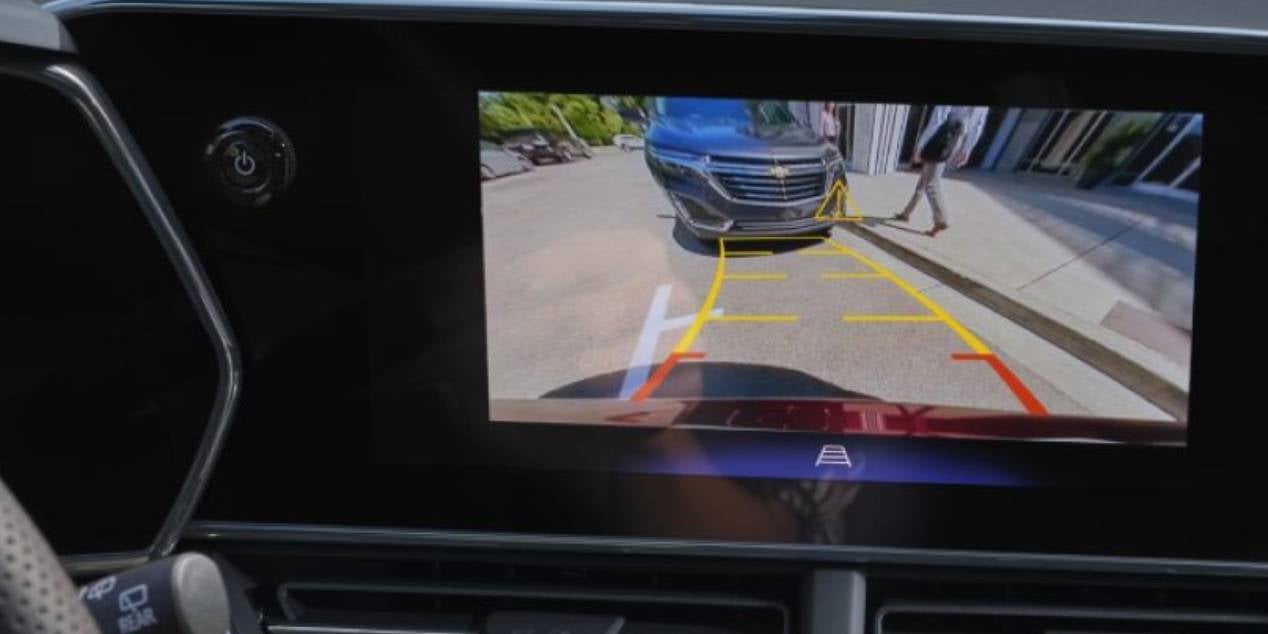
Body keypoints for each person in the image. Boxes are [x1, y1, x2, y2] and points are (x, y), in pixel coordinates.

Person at [894, 105, 989, 236]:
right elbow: (977, 127)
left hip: (942, 136)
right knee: (925, 178)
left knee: (931, 183)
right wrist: (966, 149)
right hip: (957, 138)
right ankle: (906, 213)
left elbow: (938, 119)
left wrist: (920, 146)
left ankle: (941, 220)